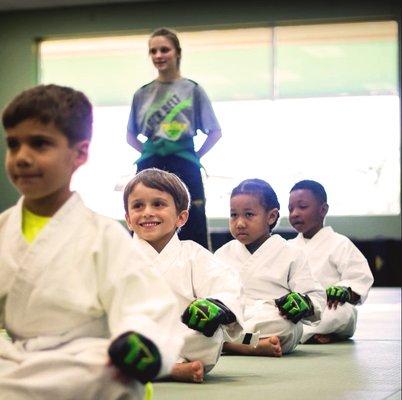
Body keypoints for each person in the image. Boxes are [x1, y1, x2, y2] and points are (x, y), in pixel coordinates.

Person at [0, 84, 184, 400]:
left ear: (80, 153)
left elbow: (143, 303)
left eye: (40, 144)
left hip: (80, 357)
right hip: (15, 357)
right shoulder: (4, 228)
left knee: (106, 375)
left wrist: (140, 341)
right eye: (13, 145)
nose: (22, 158)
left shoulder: (102, 234)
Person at [123, 168, 243, 383]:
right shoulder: (118, 256)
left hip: (185, 338)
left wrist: (217, 306)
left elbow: (225, 284)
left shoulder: (193, 253)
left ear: (181, 217)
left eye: (158, 204)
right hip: (136, 337)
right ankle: (170, 368)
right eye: (138, 206)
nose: (147, 212)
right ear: (128, 219)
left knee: (207, 335)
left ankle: (157, 366)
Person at [127, 27, 222, 250]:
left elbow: (215, 132)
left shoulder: (193, 89)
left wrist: (193, 156)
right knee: (145, 217)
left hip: (185, 163)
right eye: (153, 51)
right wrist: (150, 152)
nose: (158, 55)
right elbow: (130, 135)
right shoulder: (142, 93)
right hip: (150, 164)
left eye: (164, 50)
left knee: (192, 219)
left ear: (177, 52)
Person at [215, 179, 326, 356]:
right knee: (195, 325)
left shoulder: (291, 253)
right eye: (234, 215)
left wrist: (304, 303)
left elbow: (314, 295)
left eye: (249, 214)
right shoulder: (222, 254)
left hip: (269, 318)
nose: (240, 223)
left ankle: (228, 345)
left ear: (271, 216)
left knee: (286, 325)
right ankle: (246, 345)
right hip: (234, 319)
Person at [288, 179, 374, 344]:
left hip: (328, 307)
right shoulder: (287, 247)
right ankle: (310, 334)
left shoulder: (340, 243)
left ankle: (295, 335)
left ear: (323, 210)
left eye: (302, 207)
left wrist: (345, 292)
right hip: (298, 309)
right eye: (290, 209)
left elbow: (360, 279)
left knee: (343, 313)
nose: (295, 214)